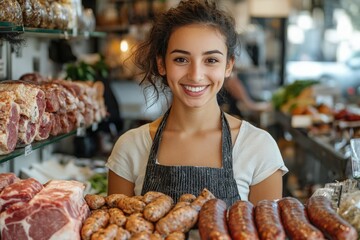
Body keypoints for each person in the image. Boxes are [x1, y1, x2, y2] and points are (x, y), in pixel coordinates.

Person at [106, 0, 288, 207]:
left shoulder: (258, 147)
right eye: (181, 60)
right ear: (161, 64)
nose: (196, 75)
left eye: (211, 60)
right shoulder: (130, 147)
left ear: (228, 66)